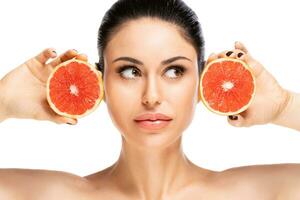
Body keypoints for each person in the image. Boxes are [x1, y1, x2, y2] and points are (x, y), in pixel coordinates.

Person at [0, 0, 300, 199]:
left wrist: (284, 107)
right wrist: (3, 101)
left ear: (202, 82)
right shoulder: (47, 195)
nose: (152, 97)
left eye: (174, 71)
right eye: (130, 71)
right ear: (100, 82)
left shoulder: (260, 193)